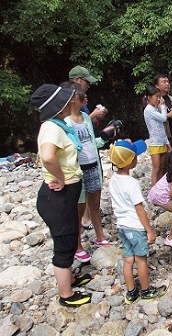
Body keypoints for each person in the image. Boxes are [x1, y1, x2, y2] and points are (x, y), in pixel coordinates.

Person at [32, 84, 92, 307]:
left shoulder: (58, 125)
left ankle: (71, 278)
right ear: (60, 106)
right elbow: (47, 157)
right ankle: (66, 294)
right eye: (68, 100)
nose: (72, 102)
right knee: (64, 241)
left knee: (70, 232)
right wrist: (62, 177)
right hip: (58, 195)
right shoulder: (52, 128)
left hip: (64, 194)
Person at [108, 140, 167, 304]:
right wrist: (149, 230)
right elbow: (139, 209)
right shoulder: (132, 183)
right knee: (141, 259)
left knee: (128, 260)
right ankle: (146, 291)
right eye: (135, 156)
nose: (137, 158)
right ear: (130, 162)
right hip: (135, 226)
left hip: (122, 226)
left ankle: (131, 292)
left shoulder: (114, 180)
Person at [63, 82, 111, 263]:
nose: (85, 95)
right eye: (80, 93)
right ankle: (78, 246)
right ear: (72, 98)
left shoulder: (85, 116)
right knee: (78, 209)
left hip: (93, 165)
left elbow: (92, 141)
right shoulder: (66, 121)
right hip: (78, 169)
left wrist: (106, 136)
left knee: (95, 206)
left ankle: (100, 237)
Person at [69, 65, 108, 230]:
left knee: (93, 190)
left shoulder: (83, 112)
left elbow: (88, 135)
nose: (89, 86)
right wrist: (93, 116)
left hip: (92, 157)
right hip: (78, 164)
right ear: (77, 80)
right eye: (86, 82)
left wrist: (105, 136)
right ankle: (83, 220)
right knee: (81, 194)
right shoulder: (68, 109)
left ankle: (90, 217)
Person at [143, 85, 172, 185]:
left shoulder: (154, 109)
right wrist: (162, 106)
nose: (158, 99)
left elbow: (161, 128)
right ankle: (154, 191)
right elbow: (163, 118)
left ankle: (160, 188)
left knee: (162, 167)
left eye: (159, 97)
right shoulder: (148, 110)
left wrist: (166, 141)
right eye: (156, 97)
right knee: (156, 168)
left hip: (161, 141)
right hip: (155, 143)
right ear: (149, 97)